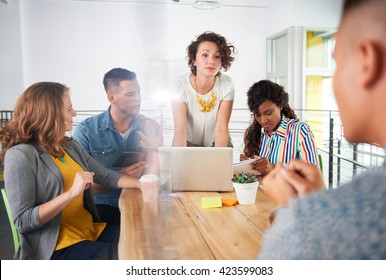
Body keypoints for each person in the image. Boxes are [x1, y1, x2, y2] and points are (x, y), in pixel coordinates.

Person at [258, 0, 386, 259]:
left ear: (367, 61)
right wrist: (318, 204)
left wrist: (301, 218)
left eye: (337, 64)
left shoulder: (314, 226)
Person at [0, 82, 145, 260]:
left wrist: (143, 184)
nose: (74, 113)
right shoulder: (20, 155)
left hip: (88, 229)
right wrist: (71, 194)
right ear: (50, 114)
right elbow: (23, 221)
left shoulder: (68, 145)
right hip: (57, 245)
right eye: (69, 109)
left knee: (145, 241)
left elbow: (104, 174)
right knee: (133, 257)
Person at [73, 68, 162, 225]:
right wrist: (119, 176)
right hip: (103, 205)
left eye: (139, 93)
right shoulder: (86, 130)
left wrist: (154, 149)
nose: (138, 99)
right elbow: (86, 187)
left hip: (143, 199)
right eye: (130, 94)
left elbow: (153, 177)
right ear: (111, 98)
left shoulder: (150, 126)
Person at [241, 80, 319, 176]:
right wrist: (246, 165)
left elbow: (313, 176)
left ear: (280, 105)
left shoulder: (300, 131)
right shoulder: (252, 133)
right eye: (257, 115)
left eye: (268, 113)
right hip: (258, 190)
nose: (263, 120)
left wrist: (273, 168)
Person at [172, 31, 236, 147]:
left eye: (217, 56)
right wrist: (180, 160)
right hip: (187, 142)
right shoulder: (179, 85)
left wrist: (218, 162)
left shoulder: (226, 84)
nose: (211, 61)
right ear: (194, 60)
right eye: (205, 55)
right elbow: (180, 129)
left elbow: (222, 128)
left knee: (221, 163)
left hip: (216, 140)